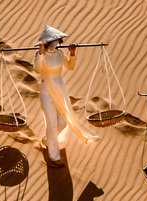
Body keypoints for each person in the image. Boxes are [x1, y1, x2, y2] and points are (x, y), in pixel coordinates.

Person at [34, 25, 99, 167]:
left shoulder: (59, 54)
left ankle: (48, 141)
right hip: (46, 90)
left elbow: (70, 67)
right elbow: (38, 69)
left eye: (58, 41)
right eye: (54, 41)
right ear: (47, 42)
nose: (57, 44)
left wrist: (72, 53)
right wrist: (40, 53)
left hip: (60, 88)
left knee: (63, 122)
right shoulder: (40, 55)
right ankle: (54, 156)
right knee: (52, 124)